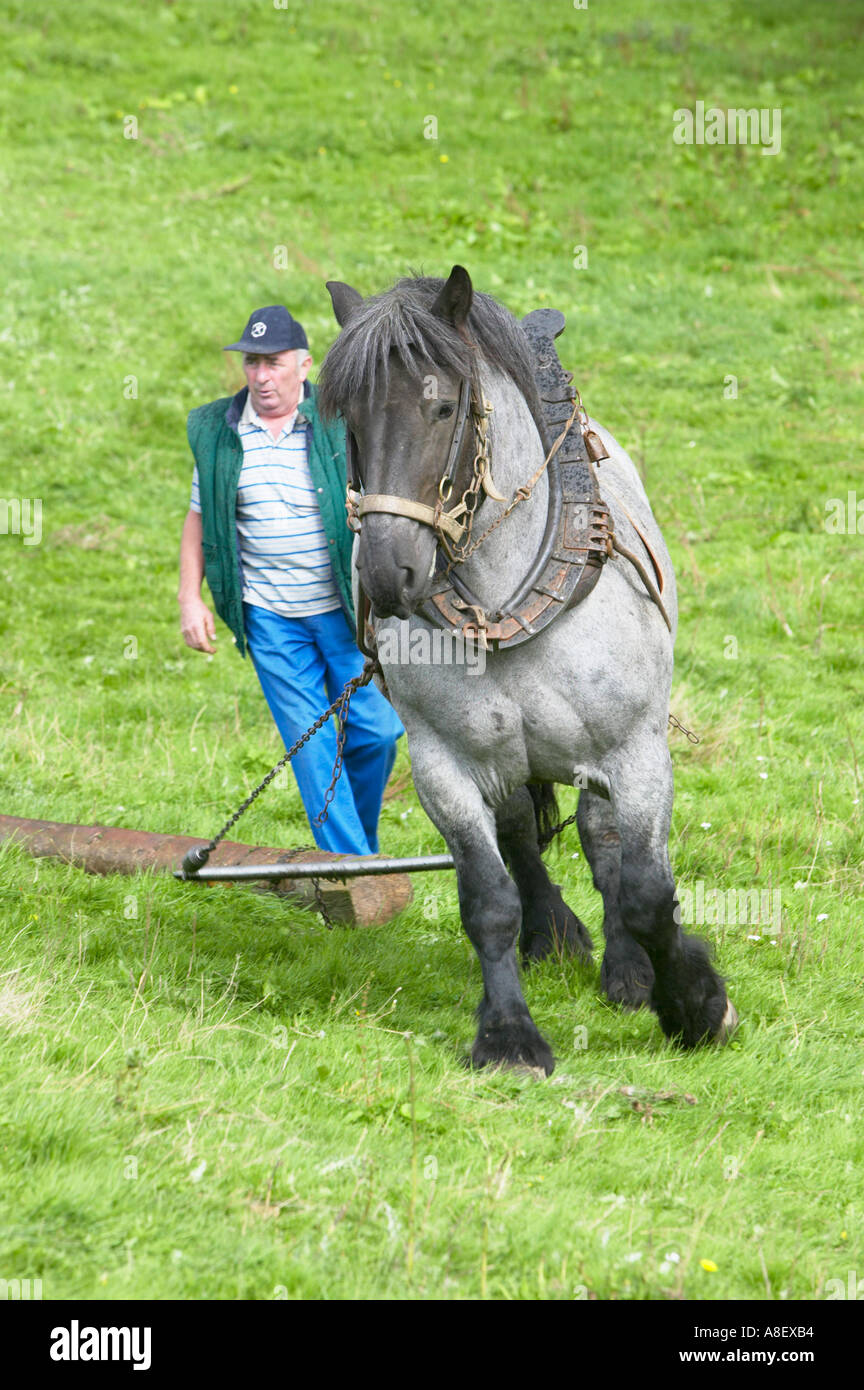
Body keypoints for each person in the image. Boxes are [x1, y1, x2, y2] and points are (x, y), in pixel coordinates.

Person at [178, 304, 403, 855]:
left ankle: (358, 848)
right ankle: (352, 866)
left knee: (377, 733)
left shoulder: (338, 419)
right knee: (314, 745)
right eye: (252, 363)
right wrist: (190, 596)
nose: (260, 376)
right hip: (272, 617)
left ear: (303, 366)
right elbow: (200, 517)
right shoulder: (218, 433)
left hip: (345, 612)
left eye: (273, 363)